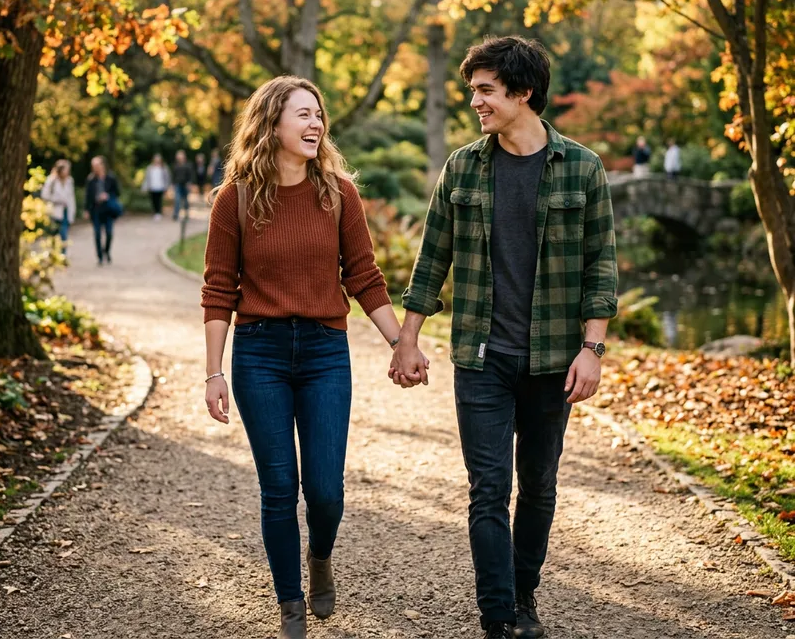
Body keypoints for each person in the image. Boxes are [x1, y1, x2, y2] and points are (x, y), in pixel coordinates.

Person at [389, 36, 618, 639]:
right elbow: (430, 259)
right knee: (488, 488)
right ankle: (498, 617)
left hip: (551, 361)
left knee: (539, 484)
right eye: (473, 91)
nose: (476, 102)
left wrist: (592, 349)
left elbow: (601, 266)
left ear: (522, 93)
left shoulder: (583, 168)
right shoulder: (462, 167)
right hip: (481, 358)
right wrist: (407, 340)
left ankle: (523, 596)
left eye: (486, 90)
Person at [200, 76, 429, 639]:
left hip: (326, 352)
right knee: (278, 487)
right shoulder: (236, 198)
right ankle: (290, 604)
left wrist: (402, 342)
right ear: (271, 122)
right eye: (302, 114)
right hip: (261, 355)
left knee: (325, 490)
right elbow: (217, 288)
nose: (315, 124)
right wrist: (213, 372)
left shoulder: (338, 193)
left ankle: (320, 556)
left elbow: (365, 276)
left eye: (319, 115)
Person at [84, 156, 121, 266]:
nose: (95, 168)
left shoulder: (111, 178)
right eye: (93, 166)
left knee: (109, 233)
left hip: (108, 210)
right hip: (96, 210)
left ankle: (107, 251)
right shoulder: (90, 179)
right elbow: (87, 196)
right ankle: (100, 257)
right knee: (97, 234)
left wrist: (107, 196)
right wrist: (86, 209)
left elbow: (118, 192)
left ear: (102, 165)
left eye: (97, 165)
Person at [40, 159, 76, 254]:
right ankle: (52, 253)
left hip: (65, 211)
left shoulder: (69, 181)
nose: (67, 172)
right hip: (54, 211)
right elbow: (45, 195)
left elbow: (71, 198)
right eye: (66, 170)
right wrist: (57, 200)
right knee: (53, 234)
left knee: (64, 234)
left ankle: (62, 255)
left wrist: (72, 213)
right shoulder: (52, 180)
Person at [141, 153, 171, 220]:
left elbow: (167, 178)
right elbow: (147, 178)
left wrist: (167, 187)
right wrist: (144, 187)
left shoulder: (164, 168)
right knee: (153, 200)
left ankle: (159, 213)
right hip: (152, 187)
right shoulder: (150, 168)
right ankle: (155, 212)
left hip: (161, 187)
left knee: (159, 200)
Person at [172, 149, 194, 221]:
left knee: (185, 200)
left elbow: (191, 175)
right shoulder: (175, 165)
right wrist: (173, 184)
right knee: (177, 199)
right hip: (178, 184)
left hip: (185, 184)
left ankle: (186, 214)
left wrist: (190, 183)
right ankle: (176, 214)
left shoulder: (188, 165)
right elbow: (174, 176)